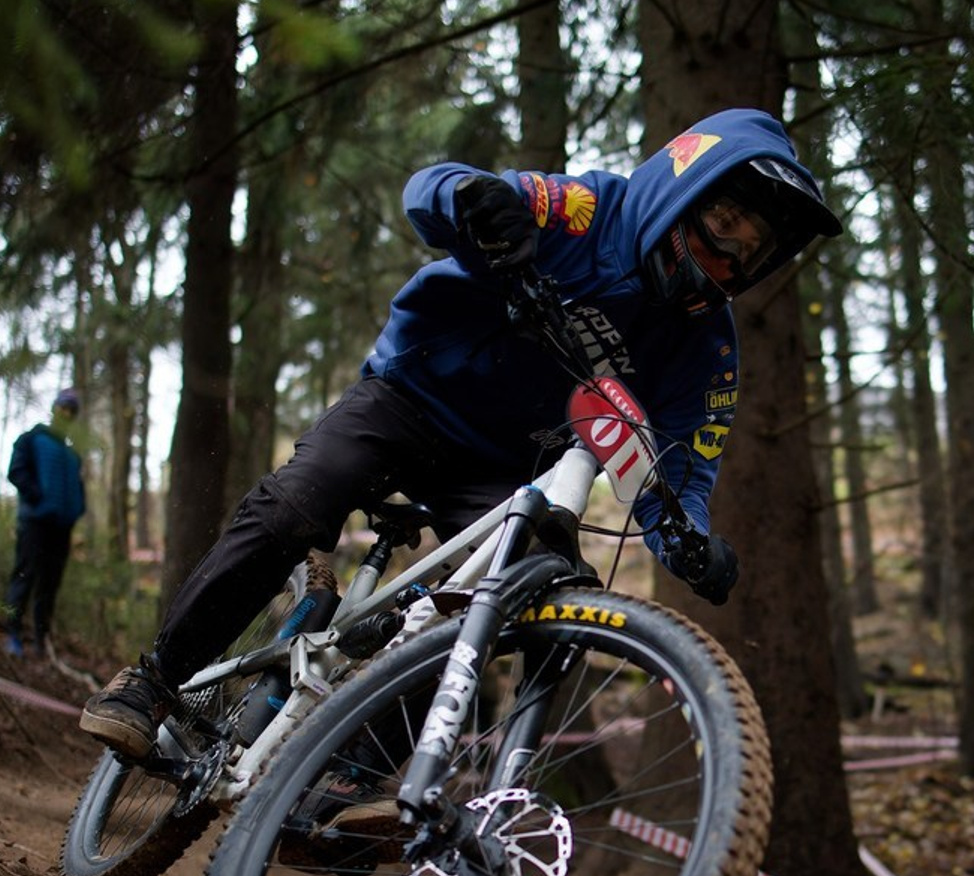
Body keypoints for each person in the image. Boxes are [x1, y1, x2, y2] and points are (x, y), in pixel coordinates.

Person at [81, 107, 841, 761]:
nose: (732, 253)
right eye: (726, 221)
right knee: (293, 508)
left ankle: (352, 780)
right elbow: (435, 191)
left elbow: (681, 462)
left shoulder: (707, 347)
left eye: (754, 246)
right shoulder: (586, 210)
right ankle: (153, 683)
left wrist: (689, 539)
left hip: (502, 470)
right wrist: (475, 200)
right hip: (406, 398)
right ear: (686, 188)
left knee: (524, 593)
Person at [4, 387, 87, 659]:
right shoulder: (31, 439)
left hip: (61, 528)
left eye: (71, 410)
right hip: (34, 523)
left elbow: (78, 487)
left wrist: (77, 509)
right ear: (54, 409)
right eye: (63, 407)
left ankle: (41, 639)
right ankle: (12, 633)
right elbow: (16, 472)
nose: (66, 413)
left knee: (49, 584)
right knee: (24, 576)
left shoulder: (72, 455)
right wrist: (38, 497)